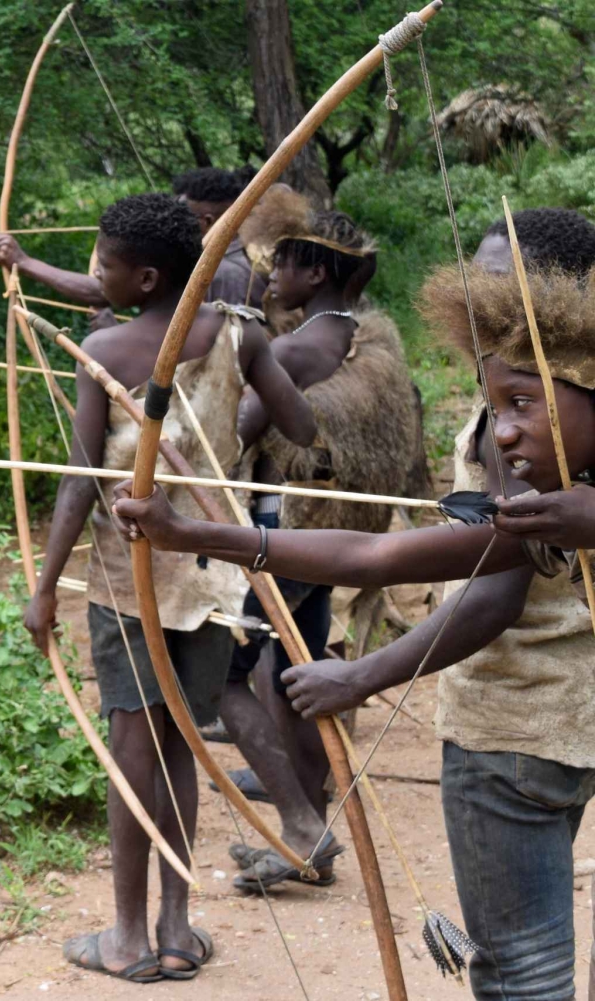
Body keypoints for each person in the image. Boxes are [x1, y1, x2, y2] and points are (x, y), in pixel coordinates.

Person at [107, 223, 595, 999]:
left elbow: (448, 580)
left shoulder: (542, 442)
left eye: (502, 283)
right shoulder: (538, 427)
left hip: (516, 730)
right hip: (558, 729)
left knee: (522, 971)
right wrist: (194, 530)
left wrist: (362, 673)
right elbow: (385, 557)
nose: (479, 295)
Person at [25, 193, 316, 982]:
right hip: (212, 578)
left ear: (146, 276)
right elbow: (301, 429)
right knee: (181, 748)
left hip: (133, 585)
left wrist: (45, 584)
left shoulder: (108, 353)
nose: (94, 274)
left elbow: (79, 485)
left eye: (104, 263)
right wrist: (243, 377)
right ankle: (177, 929)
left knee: (131, 752)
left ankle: (127, 937)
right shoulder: (240, 334)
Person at [211, 190, 421, 891]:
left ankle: (303, 828)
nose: (270, 274)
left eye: (285, 263)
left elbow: (227, 436)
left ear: (319, 271)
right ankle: (311, 830)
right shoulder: (357, 336)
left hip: (284, 538)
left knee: (227, 677)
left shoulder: (296, 349)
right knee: (295, 678)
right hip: (328, 542)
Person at [0, 167, 265, 331]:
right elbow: (112, 288)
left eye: (184, 213)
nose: (177, 219)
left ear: (208, 222)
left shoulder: (229, 274)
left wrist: (116, 333)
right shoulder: (205, 261)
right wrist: (22, 262)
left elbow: (221, 363)